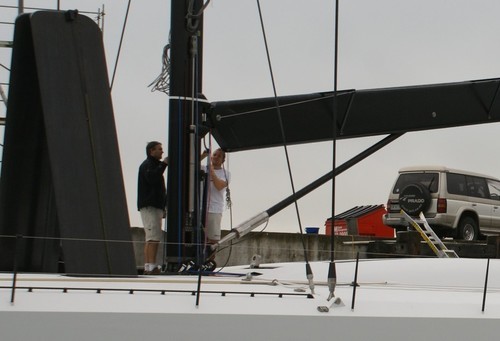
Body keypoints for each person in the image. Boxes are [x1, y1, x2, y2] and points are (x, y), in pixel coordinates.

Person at [137, 141, 168, 275]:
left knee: (152, 236)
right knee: (152, 237)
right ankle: (150, 266)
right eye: (159, 149)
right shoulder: (148, 165)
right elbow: (152, 178)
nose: (162, 151)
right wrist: (164, 164)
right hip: (150, 206)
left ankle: (149, 265)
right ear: (151, 151)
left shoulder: (152, 165)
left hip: (155, 206)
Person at [202, 148, 231, 263]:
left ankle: (209, 261)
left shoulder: (226, 174)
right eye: (214, 155)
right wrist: (204, 155)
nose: (215, 157)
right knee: (200, 237)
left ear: (223, 160)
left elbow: (219, 186)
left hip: (214, 209)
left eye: (219, 156)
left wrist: (212, 172)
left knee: (212, 240)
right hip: (200, 208)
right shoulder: (203, 168)